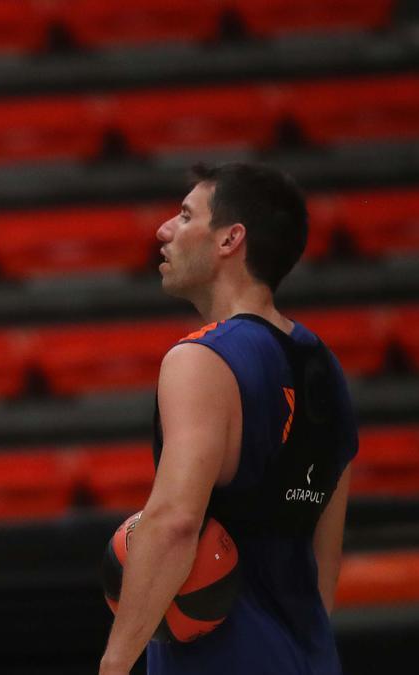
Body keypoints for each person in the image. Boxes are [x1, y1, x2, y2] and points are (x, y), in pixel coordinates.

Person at [99, 162, 357, 675]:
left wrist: (115, 663)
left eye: (185, 215)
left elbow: (174, 523)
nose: (164, 230)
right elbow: (323, 562)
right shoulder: (327, 367)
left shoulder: (200, 359)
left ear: (229, 240)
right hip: (309, 656)